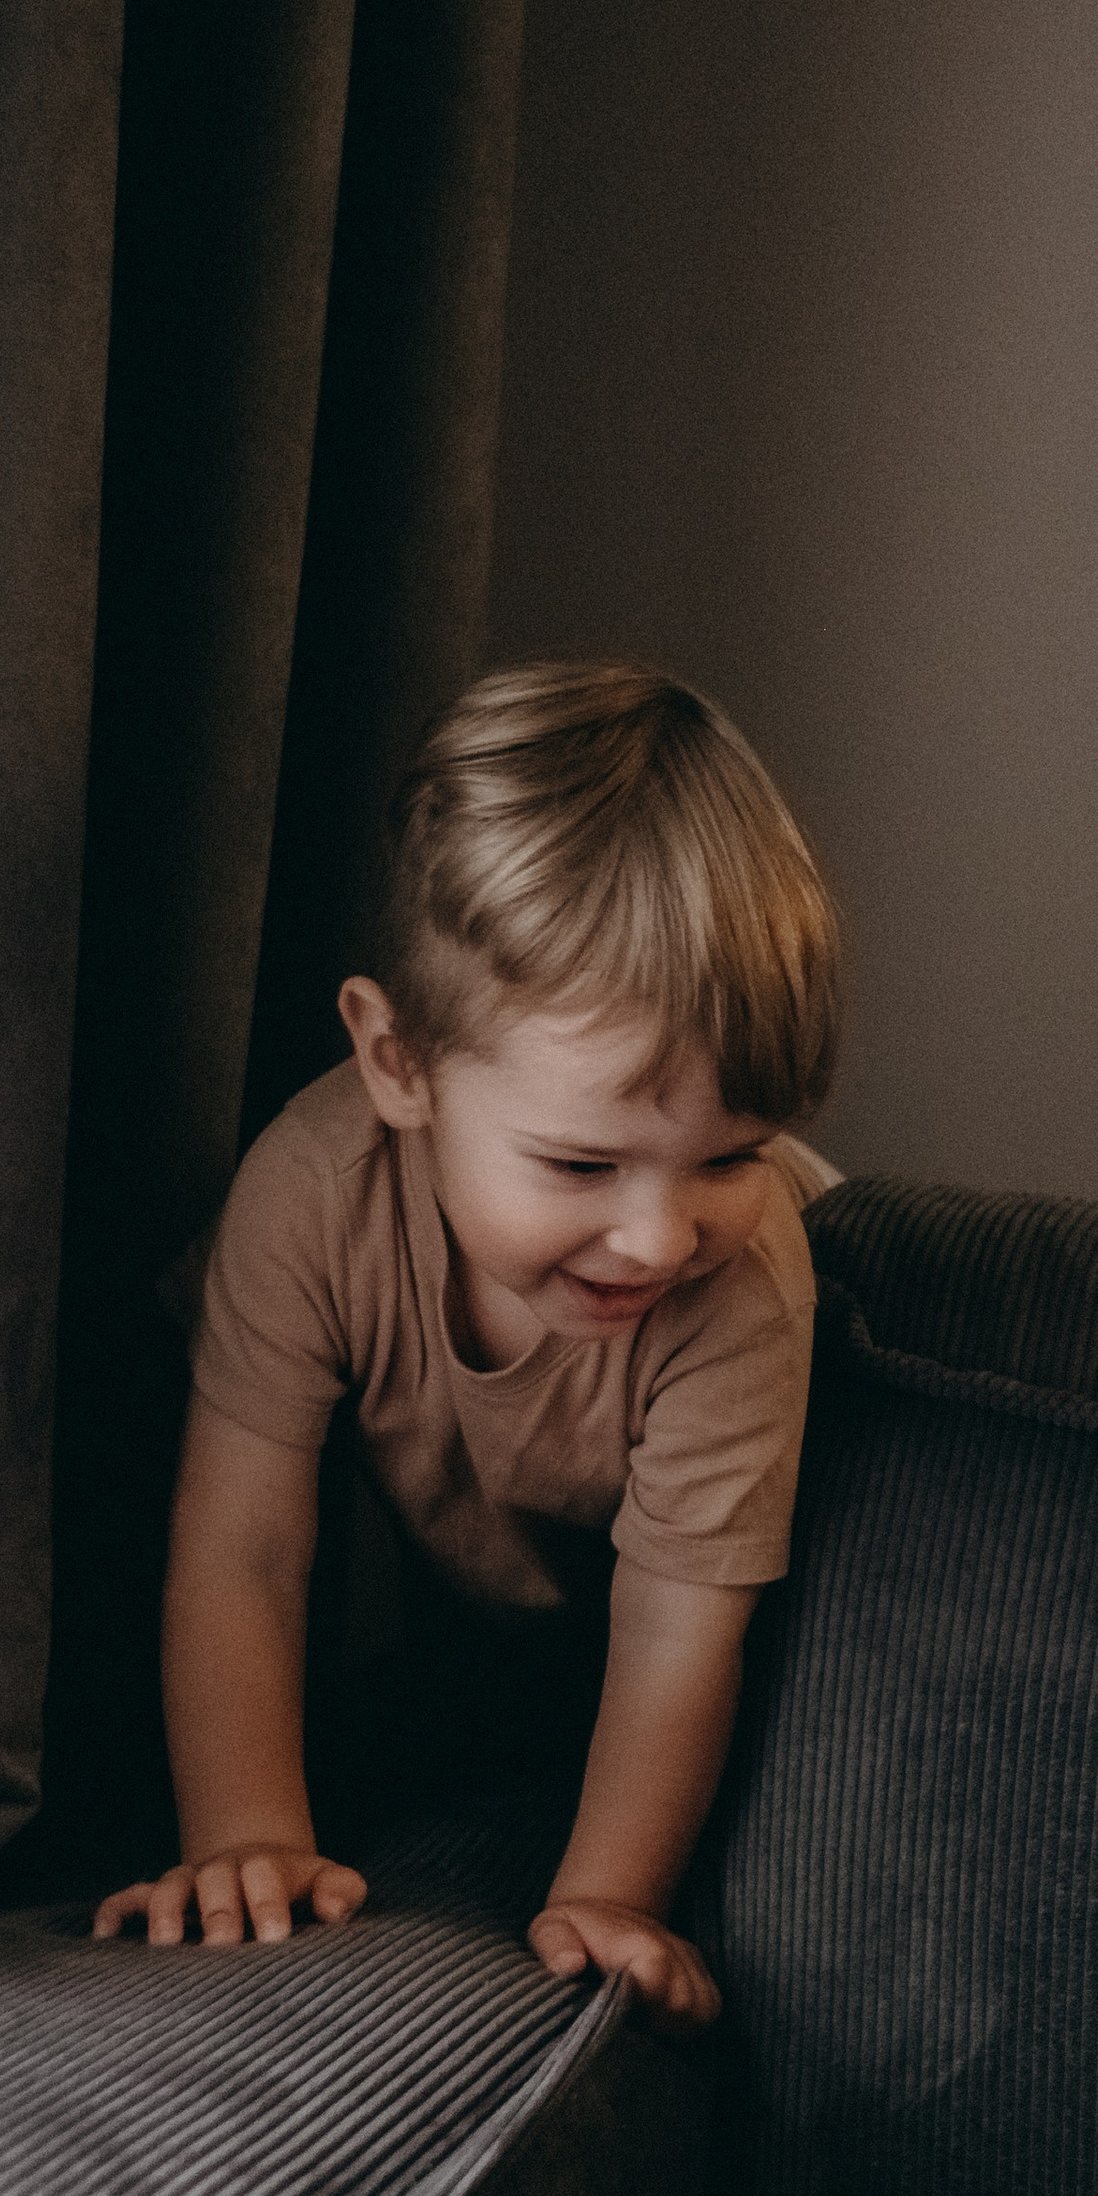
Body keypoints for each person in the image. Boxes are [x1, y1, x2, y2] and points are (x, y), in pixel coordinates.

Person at [93, 661, 841, 2026]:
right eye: (579, 1163)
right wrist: (247, 1832)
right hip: (488, 1618)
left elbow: (679, 1630)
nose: (661, 1238)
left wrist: (610, 1896)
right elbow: (244, 1548)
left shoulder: (744, 1290)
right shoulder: (310, 1196)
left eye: (732, 1155)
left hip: (685, 1609)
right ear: (398, 1064)